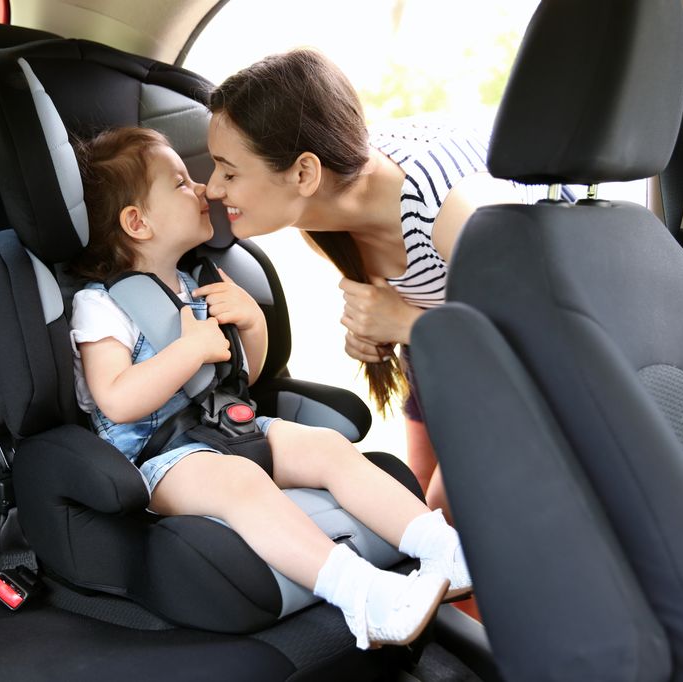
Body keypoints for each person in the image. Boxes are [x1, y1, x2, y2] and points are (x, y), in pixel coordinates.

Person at [67, 126, 471, 650]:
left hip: (232, 426)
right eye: (182, 183)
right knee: (240, 483)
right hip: (162, 460)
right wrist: (189, 348)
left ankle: (442, 547)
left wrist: (252, 325)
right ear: (137, 222)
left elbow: (243, 378)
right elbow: (117, 400)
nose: (204, 190)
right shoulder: (101, 305)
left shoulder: (200, 284)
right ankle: (362, 595)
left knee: (326, 447)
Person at [206, 48, 524, 518]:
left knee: (443, 519)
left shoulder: (452, 211)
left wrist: (407, 323)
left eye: (229, 172)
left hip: (523, 377)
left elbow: (542, 341)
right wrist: (383, 323)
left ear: (303, 172)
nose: (212, 188)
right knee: (415, 490)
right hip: (452, 355)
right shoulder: (321, 211)